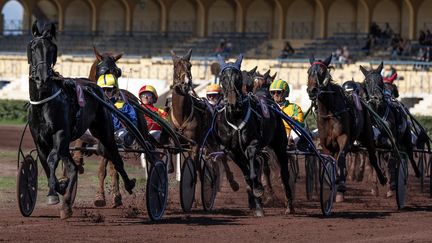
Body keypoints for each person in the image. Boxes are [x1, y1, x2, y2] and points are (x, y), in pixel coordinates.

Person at [97, 73, 137, 147]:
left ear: (114, 90)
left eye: (108, 89)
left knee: (122, 135)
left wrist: (119, 112)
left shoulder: (123, 105)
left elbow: (133, 121)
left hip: (117, 132)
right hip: (99, 132)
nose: (105, 93)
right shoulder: (96, 104)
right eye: (102, 90)